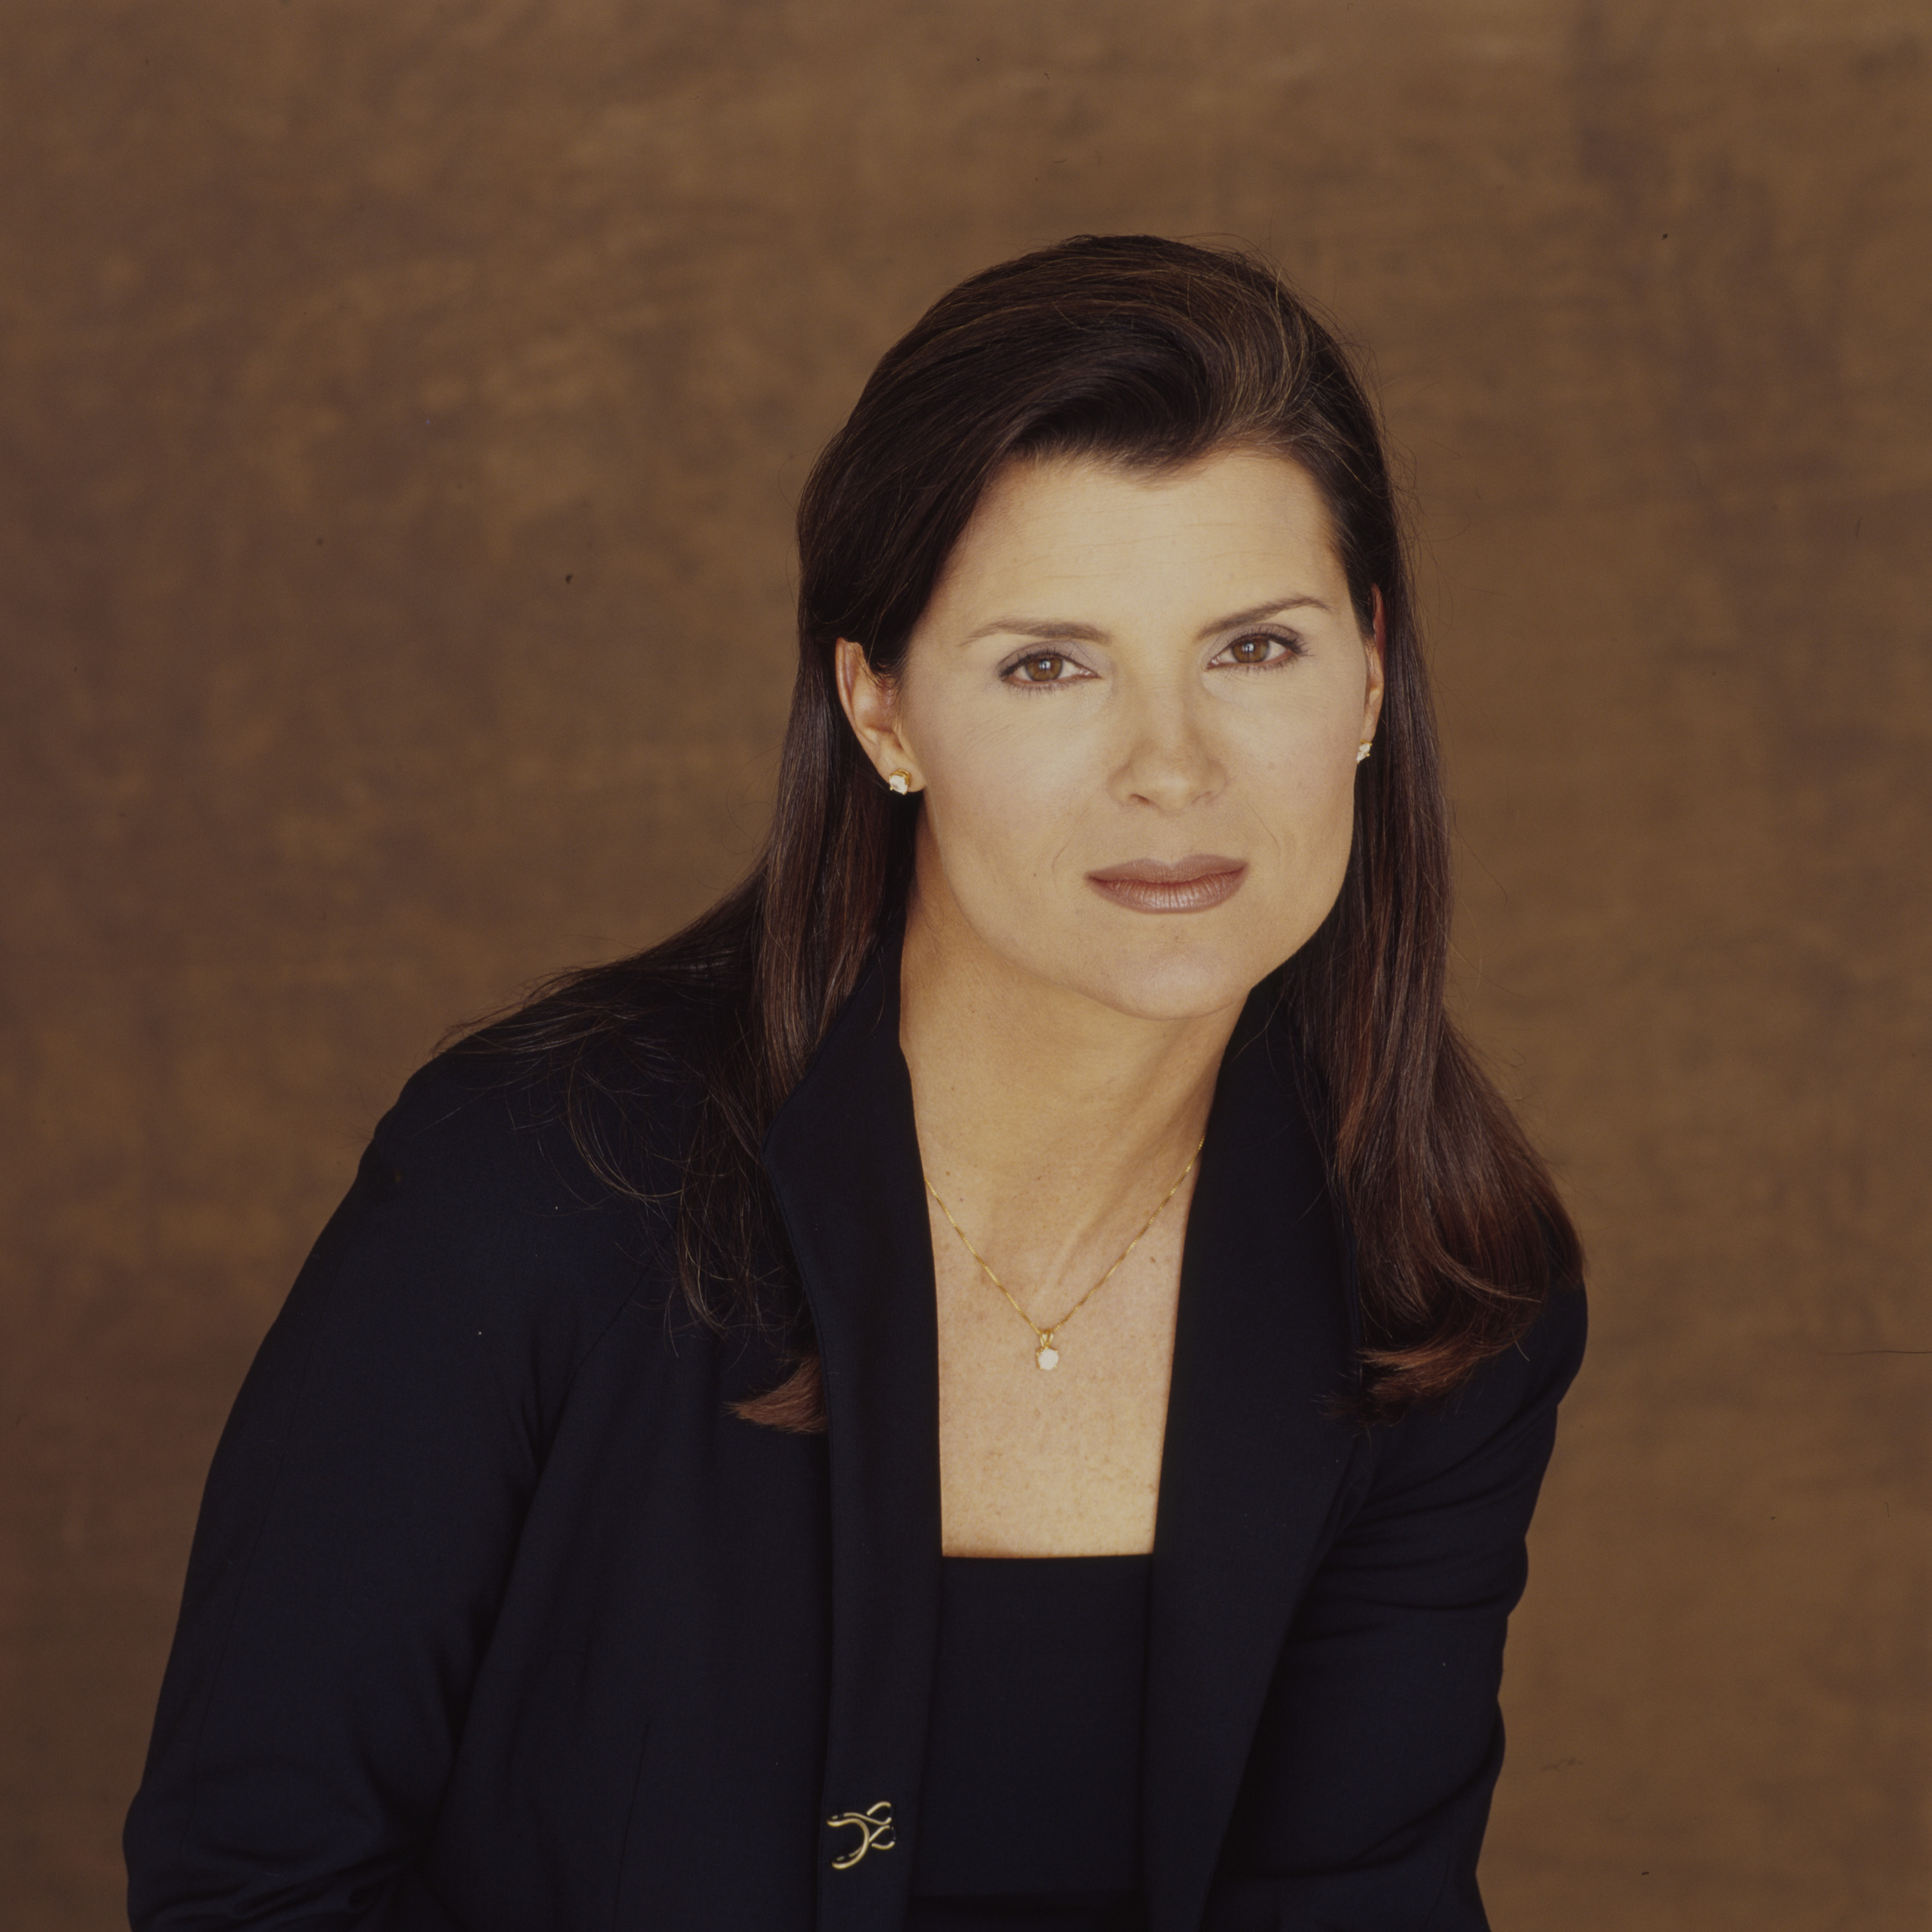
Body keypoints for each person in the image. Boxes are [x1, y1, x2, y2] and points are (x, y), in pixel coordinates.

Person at [125, 234, 1585, 1932]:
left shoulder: (1440, 1286)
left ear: (1370, 674)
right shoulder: (532, 1180)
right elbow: (255, 1886)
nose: (1172, 767)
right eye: (1049, 663)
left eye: (1253, 647)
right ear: (878, 708)